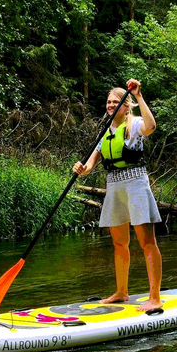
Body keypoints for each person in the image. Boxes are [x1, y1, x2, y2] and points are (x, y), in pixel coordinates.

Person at [73, 78, 163, 311]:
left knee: (147, 242)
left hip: (136, 185)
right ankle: (122, 292)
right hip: (114, 187)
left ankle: (155, 297)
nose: (111, 105)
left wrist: (139, 96)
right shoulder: (105, 133)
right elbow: (90, 165)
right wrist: (80, 169)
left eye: (117, 101)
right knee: (119, 243)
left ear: (126, 106)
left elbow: (151, 127)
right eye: (109, 102)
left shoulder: (134, 125)